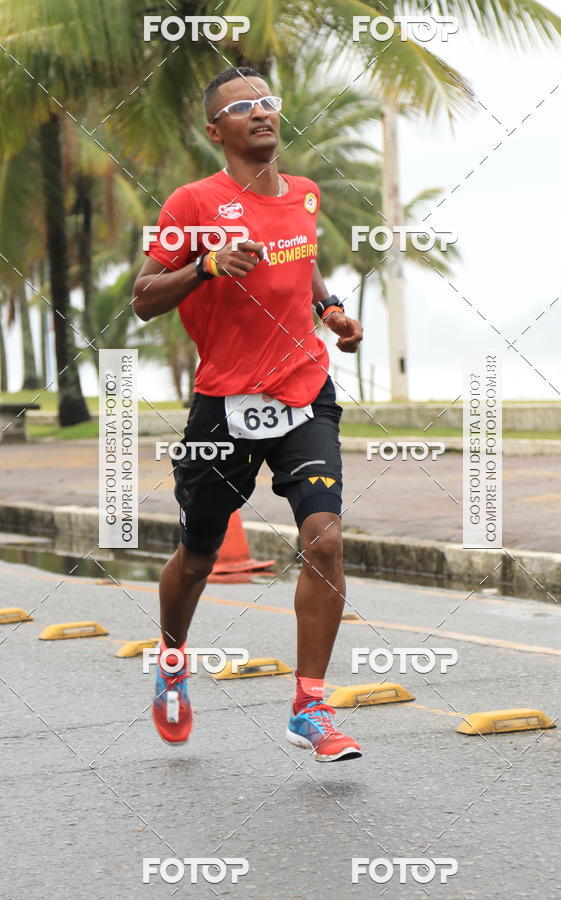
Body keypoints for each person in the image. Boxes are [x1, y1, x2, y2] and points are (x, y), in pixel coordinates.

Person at [133, 66, 364, 762]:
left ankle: (310, 707)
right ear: (217, 131)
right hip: (224, 406)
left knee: (323, 540)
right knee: (199, 557)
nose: (262, 113)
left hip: (303, 394)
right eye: (243, 107)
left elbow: (303, 257)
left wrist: (329, 311)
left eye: (269, 101)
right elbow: (144, 296)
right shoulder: (191, 203)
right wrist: (205, 266)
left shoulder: (303, 195)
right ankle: (173, 659)